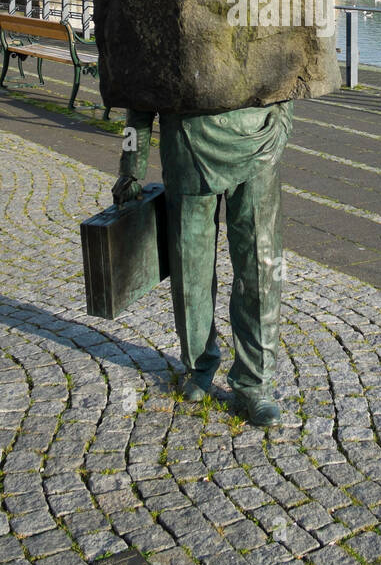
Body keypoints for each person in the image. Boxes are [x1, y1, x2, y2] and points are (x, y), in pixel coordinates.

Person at [113, 101, 293, 428]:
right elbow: (136, 87)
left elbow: (292, 62)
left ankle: (256, 380)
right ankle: (198, 364)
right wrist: (130, 165)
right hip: (186, 144)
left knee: (260, 266)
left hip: (257, 140)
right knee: (189, 266)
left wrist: (282, 126)